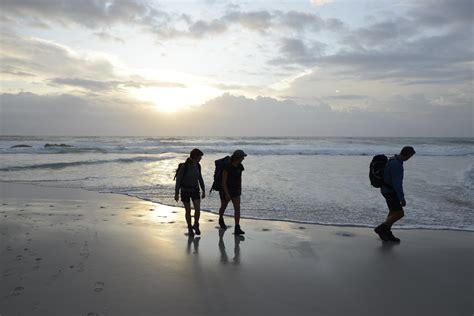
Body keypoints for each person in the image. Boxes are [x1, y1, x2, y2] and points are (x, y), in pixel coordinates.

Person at [374, 146, 416, 242]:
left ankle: (386, 232)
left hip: (385, 189)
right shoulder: (396, 164)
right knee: (400, 213)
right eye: (411, 155)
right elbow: (397, 184)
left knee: (393, 212)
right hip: (390, 191)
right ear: (408, 154)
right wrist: (402, 198)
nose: (410, 158)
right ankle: (381, 228)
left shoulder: (393, 160)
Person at [175, 148, 205, 237]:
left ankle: (196, 224)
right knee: (188, 211)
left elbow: (200, 178)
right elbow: (178, 180)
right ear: (195, 156)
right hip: (185, 191)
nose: (201, 158)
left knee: (198, 209)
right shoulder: (185, 166)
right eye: (200, 156)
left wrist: (203, 190)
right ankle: (189, 227)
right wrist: (176, 193)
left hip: (195, 189)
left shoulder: (198, 166)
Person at [218, 149, 247, 235]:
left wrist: (240, 189)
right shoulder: (227, 166)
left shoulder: (240, 166)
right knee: (223, 206)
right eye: (242, 157)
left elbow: (240, 178)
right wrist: (226, 193)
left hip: (236, 190)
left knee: (237, 208)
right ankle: (220, 218)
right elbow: (223, 181)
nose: (243, 159)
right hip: (226, 189)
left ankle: (237, 227)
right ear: (238, 157)